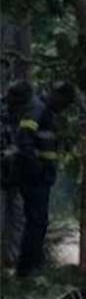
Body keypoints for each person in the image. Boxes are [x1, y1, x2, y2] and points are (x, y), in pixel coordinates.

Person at [9, 81, 75, 277]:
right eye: (64, 103)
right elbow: (24, 139)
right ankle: (27, 269)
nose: (64, 108)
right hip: (33, 177)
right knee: (36, 222)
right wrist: (37, 168)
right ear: (57, 96)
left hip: (40, 177)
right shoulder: (38, 109)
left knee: (38, 222)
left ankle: (31, 266)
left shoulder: (46, 112)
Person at [1, 80, 33, 269]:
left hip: (17, 177)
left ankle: (12, 262)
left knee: (18, 221)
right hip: (4, 174)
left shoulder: (26, 112)